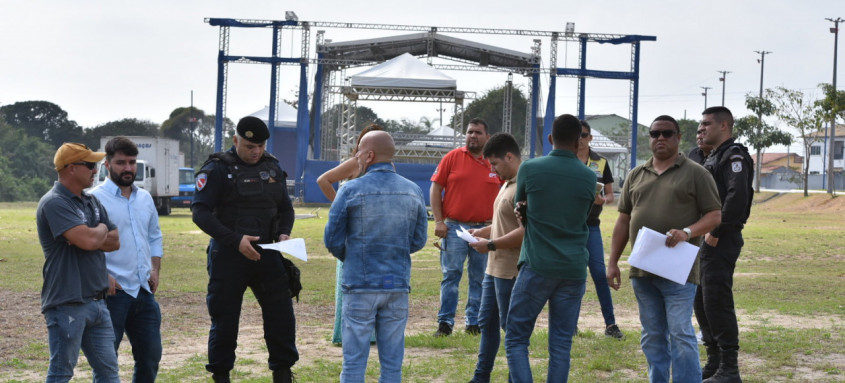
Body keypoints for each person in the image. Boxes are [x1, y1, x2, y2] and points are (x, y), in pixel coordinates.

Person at [606, 115, 722, 383]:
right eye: (655, 133)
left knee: (681, 333)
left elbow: (715, 216)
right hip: (643, 271)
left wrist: (688, 232)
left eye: (667, 133)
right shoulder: (636, 174)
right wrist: (612, 263)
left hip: (679, 273)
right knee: (652, 335)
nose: (660, 138)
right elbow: (623, 220)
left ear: (678, 137)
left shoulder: (696, 173)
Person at [192, 116, 298, 383]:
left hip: (268, 255)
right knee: (225, 321)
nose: (256, 151)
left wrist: (285, 232)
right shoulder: (216, 169)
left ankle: (283, 374)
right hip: (229, 257)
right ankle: (221, 375)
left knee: (281, 319)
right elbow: (200, 213)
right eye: (250, 145)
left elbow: (286, 208)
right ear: (235, 140)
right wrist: (234, 240)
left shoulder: (272, 167)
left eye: (260, 146)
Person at [323, 131, 428, 383]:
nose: (356, 156)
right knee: (392, 364)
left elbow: (332, 239)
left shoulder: (349, 189)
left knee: (353, 363)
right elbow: (418, 240)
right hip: (397, 284)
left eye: (358, 150)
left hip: (359, 284)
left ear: (369, 155)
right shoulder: (413, 190)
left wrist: (353, 257)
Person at [504, 114, 596, 383]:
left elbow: (520, 207)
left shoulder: (530, 168)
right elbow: (583, 216)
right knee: (561, 344)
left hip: (538, 263)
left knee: (516, 338)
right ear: (579, 141)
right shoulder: (589, 177)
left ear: (550, 138)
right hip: (573, 267)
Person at [36, 142, 121, 382]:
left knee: (109, 373)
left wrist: (94, 234)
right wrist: (97, 232)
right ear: (71, 168)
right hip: (67, 303)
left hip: (97, 302)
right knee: (61, 373)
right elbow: (87, 240)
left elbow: (114, 241)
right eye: (90, 165)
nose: (96, 171)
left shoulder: (90, 202)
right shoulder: (54, 202)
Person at [90, 137, 163, 383]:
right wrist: (103, 276)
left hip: (143, 291)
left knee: (151, 357)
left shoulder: (145, 199)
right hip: (112, 294)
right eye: (121, 162)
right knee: (107, 362)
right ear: (107, 165)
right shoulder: (94, 199)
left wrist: (155, 269)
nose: (128, 168)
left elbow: (154, 236)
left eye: (132, 162)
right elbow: (86, 246)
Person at [695, 106, 754, 382]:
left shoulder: (734, 156)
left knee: (717, 300)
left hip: (721, 237)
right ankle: (715, 362)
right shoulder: (713, 156)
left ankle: (730, 368)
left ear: (724, 126)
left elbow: (737, 197)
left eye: (707, 124)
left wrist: (717, 230)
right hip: (705, 238)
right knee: (702, 300)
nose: (702, 128)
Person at [430, 117, 502, 337]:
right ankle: (445, 323)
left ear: (487, 137)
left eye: (478, 132)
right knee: (451, 275)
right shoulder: (452, 157)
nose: (473, 136)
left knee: (480, 277)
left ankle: (474, 323)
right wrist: (439, 221)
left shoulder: (495, 161)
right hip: (454, 228)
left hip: (486, 229)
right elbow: (435, 189)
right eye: (470, 132)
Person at [316, 123, 383, 345]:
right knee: (350, 284)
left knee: (375, 284)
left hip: (374, 233)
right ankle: (346, 333)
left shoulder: (383, 166)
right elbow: (323, 180)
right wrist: (340, 207)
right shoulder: (355, 163)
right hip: (353, 234)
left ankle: (371, 334)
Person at [466, 133, 524, 383]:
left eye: (495, 164)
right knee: (486, 323)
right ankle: (481, 378)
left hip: (511, 270)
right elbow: (504, 224)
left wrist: (490, 244)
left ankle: (515, 378)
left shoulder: (524, 185)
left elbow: (526, 231)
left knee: (511, 331)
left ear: (510, 157)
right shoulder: (507, 182)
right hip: (493, 268)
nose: (493, 170)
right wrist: (481, 232)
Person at [575, 120, 623, 339]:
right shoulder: (567, 160)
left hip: (592, 226)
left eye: (584, 135)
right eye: (577, 135)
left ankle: (610, 324)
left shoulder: (600, 162)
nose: (580, 139)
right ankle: (570, 324)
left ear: (590, 138)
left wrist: (601, 200)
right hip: (569, 226)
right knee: (574, 277)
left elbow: (612, 195)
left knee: (599, 275)